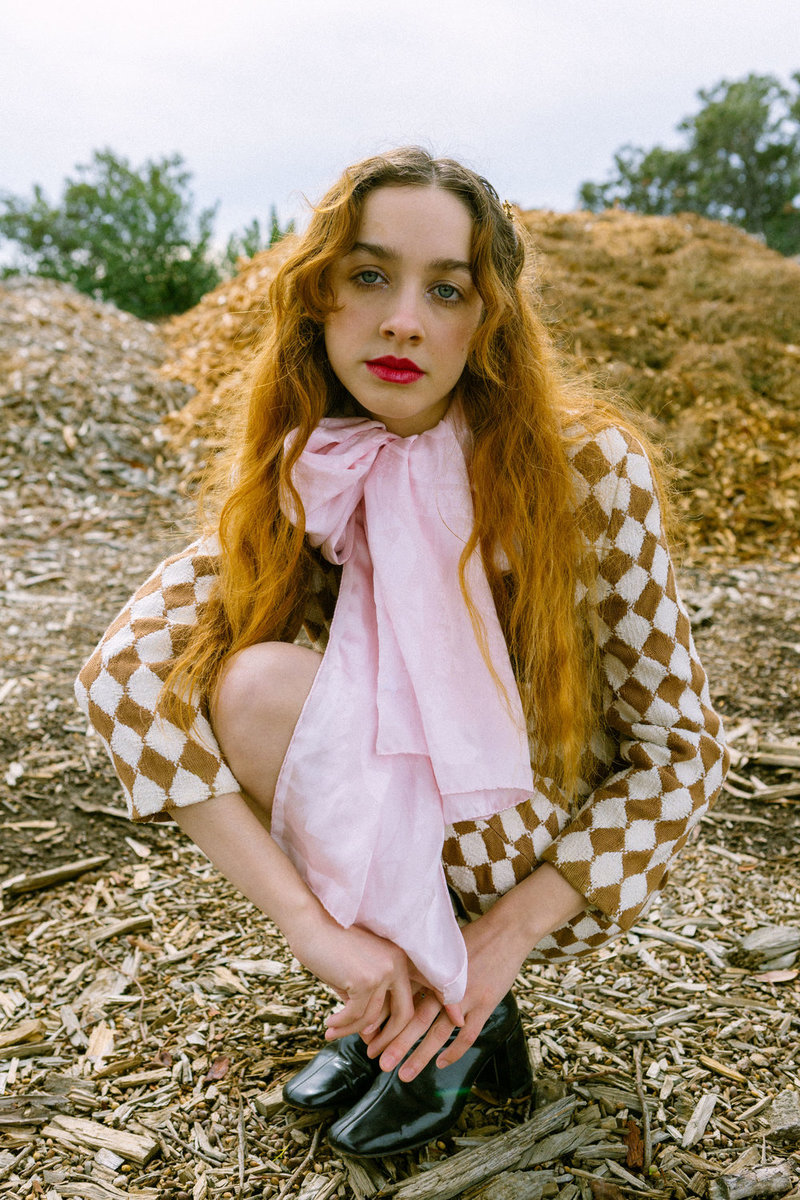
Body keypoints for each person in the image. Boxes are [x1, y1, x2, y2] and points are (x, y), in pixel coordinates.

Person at [75, 147, 728, 1158]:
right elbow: (123, 677)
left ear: (489, 317)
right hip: (409, 799)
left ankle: (456, 1005)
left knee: (381, 719)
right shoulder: (311, 464)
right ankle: (417, 1007)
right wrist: (313, 931)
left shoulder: (586, 466)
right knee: (254, 690)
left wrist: (497, 944)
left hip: (527, 823)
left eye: (447, 289)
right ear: (318, 297)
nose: (404, 322)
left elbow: (683, 752)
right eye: (370, 276)